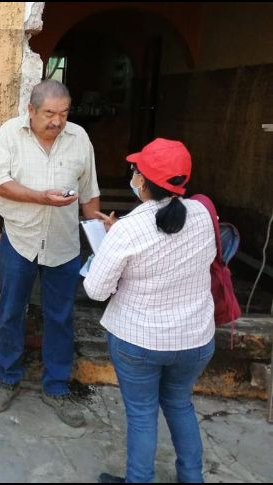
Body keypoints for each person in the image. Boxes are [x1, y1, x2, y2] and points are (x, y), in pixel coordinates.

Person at [84, 139, 216, 483]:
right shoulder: (203, 213)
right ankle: (192, 478)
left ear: (142, 181)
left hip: (140, 342)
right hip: (195, 340)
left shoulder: (129, 229)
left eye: (135, 170)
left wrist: (110, 246)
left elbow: (96, 290)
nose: (133, 175)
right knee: (180, 404)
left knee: (142, 415)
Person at [0, 79, 101, 427]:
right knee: (10, 313)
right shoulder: (10, 133)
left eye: (63, 113)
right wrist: (40, 197)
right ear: (31, 111)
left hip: (64, 244)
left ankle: (56, 387)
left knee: (61, 317)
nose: (57, 121)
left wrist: (101, 234)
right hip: (20, 239)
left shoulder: (79, 138)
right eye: (49, 113)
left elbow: (89, 193)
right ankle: (7, 379)